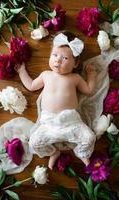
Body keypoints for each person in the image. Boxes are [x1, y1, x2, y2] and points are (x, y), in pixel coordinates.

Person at [15, 31, 97, 170]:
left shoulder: (75, 78)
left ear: (75, 63)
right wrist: (22, 71)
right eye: (54, 55)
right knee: (34, 143)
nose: (57, 60)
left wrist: (91, 75)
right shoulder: (46, 75)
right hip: (49, 123)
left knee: (90, 138)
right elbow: (31, 86)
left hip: (72, 122)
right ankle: (53, 152)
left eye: (65, 58)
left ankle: (81, 153)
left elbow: (89, 91)